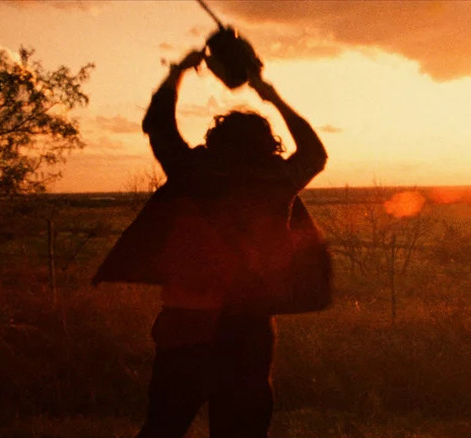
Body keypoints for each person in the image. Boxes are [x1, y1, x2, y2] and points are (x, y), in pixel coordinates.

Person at [93, 49, 328, 437]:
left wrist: (177, 74)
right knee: (241, 430)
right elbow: (316, 151)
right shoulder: (278, 180)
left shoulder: (191, 172)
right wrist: (266, 91)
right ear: (268, 146)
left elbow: (158, 125)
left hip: (186, 321)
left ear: (215, 142)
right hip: (250, 325)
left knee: (163, 426)